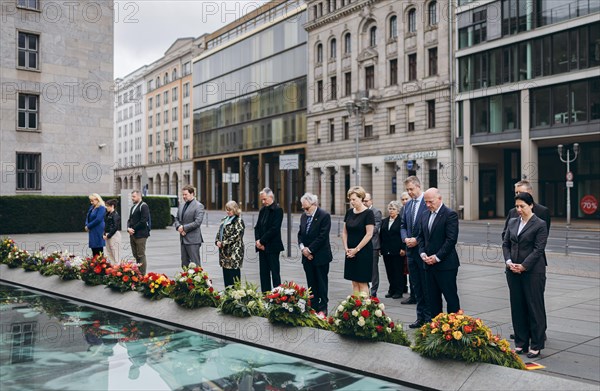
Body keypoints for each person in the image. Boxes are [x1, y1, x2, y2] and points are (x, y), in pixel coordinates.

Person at [502, 179, 551, 341]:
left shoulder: (542, 212)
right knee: (518, 302)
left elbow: (540, 243)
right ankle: (521, 333)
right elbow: (506, 236)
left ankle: (538, 333)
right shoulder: (512, 212)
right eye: (515, 193)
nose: (517, 196)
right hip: (514, 265)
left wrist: (525, 263)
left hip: (533, 265)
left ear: (530, 194)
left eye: (520, 192)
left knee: (534, 301)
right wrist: (510, 261)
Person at [417, 188, 461, 320]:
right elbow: (420, 237)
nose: (428, 205)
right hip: (428, 265)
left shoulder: (450, 214)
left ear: (439, 199)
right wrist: (422, 253)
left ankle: (454, 328)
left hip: (445, 265)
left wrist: (436, 257)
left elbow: (451, 240)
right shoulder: (424, 214)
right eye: (426, 202)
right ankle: (436, 328)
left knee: (451, 298)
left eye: (431, 202)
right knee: (432, 300)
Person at [400, 176, 431, 328]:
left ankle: (429, 318)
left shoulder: (427, 203)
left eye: (411, 189)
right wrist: (405, 238)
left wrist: (417, 240)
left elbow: (429, 227)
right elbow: (403, 225)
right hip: (410, 252)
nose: (409, 193)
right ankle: (420, 318)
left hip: (423, 251)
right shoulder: (407, 206)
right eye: (407, 190)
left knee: (426, 287)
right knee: (416, 286)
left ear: (418, 187)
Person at [298, 193, 333, 314]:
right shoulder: (303, 216)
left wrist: (310, 250)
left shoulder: (324, 216)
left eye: (307, 208)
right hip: (307, 257)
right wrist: (303, 249)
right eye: (303, 208)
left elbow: (322, 236)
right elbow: (300, 234)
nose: (305, 210)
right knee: (311, 283)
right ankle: (313, 306)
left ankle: (323, 308)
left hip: (320, 256)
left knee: (322, 283)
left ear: (314, 204)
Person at [342, 186, 375, 295]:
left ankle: (364, 309)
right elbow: (344, 232)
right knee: (354, 283)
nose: (351, 202)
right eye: (350, 199)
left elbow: (369, 234)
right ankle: (355, 308)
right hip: (350, 252)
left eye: (354, 199)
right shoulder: (349, 212)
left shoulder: (368, 213)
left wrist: (356, 250)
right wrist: (346, 248)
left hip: (363, 252)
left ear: (361, 198)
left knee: (362, 283)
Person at [254, 187, 284, 292]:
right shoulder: (263, 210)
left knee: (275, 273)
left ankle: (277, 296)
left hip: (272, 246)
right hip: (262, 247)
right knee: (264, 274)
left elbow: (274, 229)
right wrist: (258, 241)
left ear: (271, 197)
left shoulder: (277, 210)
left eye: (264, 199)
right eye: (262, 199)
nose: (263, 202)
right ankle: (265, 295)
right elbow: (257, 227)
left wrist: (262, 241)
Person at [380, 200, 405, 299]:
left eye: (393, 209)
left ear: (398, 211)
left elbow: (403, 235)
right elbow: (381, 235)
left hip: (397, 250)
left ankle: (399, 291)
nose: (391, 211)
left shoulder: (401, 221)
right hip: (386, 250)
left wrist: (403, 248)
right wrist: (381, 248)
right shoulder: (385, 221)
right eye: (390, 209)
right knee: (389, 271)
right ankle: (392, 289)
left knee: (398, 271)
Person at [216, 200, 245, 288]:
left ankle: (236, 295)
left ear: (235, 210)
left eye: (230, 210)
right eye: (227, 209)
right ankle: (228, 294)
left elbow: (237, 236)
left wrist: (223, 243)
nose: (228, 211)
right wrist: (217, 241)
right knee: (226, 273)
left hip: (234, 252)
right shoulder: (224, 220)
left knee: (234, 274)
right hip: (224, 252)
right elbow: (219, 232)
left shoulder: (238, 221)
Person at [174, 185, 205, 267]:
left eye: (186, 194)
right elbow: (176, 218)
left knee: (195, 265)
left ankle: (198, 280)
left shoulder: (199, 206)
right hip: (183, 239)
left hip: (193, 240)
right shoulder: (181, 205)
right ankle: (186, 280)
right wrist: (178, 227)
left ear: (192, 194)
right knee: (184, 264)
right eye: (183, 194)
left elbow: (197, 222)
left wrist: (183, 228)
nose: (184, 196)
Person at [363, 193, 382, 297]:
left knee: (374, 270)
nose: (364, 203)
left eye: (366, 201)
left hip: (373, 246)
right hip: (362, 246)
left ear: (371, 201)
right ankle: (365, 289)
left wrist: (363, 230)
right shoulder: (361, 212)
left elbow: (375, 229)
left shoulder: (376, 212)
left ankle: (373, 292)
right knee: (364, 268)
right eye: (363, 201)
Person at [127, 190, 150, 274]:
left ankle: (142, 275)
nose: (132, 198)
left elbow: (143, 221)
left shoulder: (144, 206)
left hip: (141, 235)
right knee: (135, 255)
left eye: (134, 196)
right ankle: (138, 272)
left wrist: (133, 229)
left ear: (139, 196)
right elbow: (129, 220)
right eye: (132, 196)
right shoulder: (133, 207)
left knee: (141, 255)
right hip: (133, 234)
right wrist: (128, 228)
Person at [399, 191, 411, 294]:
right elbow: (402, 227)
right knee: (404, 269)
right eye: (403, 199)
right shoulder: (402, 209)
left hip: (412, 244)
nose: (405, 201)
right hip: (405, 243)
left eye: (406, 199)